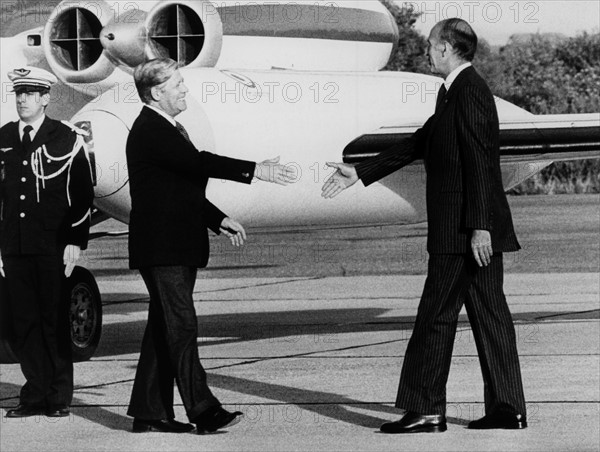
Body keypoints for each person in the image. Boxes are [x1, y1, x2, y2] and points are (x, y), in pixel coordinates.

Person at [322, 19, 527, 433]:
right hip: (470, 230)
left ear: (448, 48)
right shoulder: (453, 92)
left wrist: (479, 227)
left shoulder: (469, 93)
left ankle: (427, 408)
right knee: (490, 316)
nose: (427, 53)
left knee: (435, 316)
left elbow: (481, 163)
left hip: (463, 234)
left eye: (432, 46)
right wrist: (361, 171)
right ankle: (508, 408)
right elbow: (421, 140)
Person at [126, 58, 295, 434]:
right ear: (157, 93)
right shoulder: (151, 129)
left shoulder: (166, 128)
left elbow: (181, 187)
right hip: (164, 250)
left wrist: (219, 219)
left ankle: (149, 413)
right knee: (182, 326)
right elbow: (198, 163)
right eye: (178, 85)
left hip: (173, 247)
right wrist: (256, 169)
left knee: (164, 328)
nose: (185, 90)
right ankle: (204, 410)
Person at [0, 67, 94, 418]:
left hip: (53, 245)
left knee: (53, 319)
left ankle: (58, 396)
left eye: (29, 93)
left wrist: (75, 240)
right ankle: (34, 393)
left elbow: (82, 193)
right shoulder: (3, 138)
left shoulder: (65, 137)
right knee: (23, 322)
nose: (22, 99)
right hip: (14, 245)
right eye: (18, 93)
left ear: (45, 98)